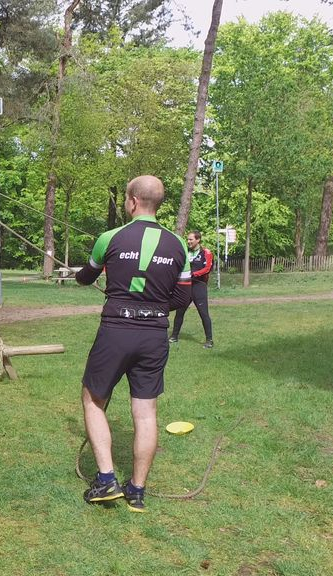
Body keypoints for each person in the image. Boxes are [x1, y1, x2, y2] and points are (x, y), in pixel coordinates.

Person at [75, 175, 192, 513]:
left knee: (93, 400)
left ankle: (107, 479)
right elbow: (183, 298)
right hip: (154, 334)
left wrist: (84, 276)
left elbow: (86, 277)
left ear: (131, 201)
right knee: (145, 413)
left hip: (115, 330)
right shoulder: (178, 244)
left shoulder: (109, 237)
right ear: (157, 203)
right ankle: (137, 491)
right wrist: (152, 306)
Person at [169, 231, 214, 348]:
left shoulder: (206, 253)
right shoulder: (185, 252)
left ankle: (209, 340)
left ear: (198, 240)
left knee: (203, 313)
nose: (188, 242)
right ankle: (174, 336)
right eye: (187, 239)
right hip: (185, 286)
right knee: (179, 312)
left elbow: (207, 268)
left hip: (199, 286)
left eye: (191, 240)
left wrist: (194, 274)